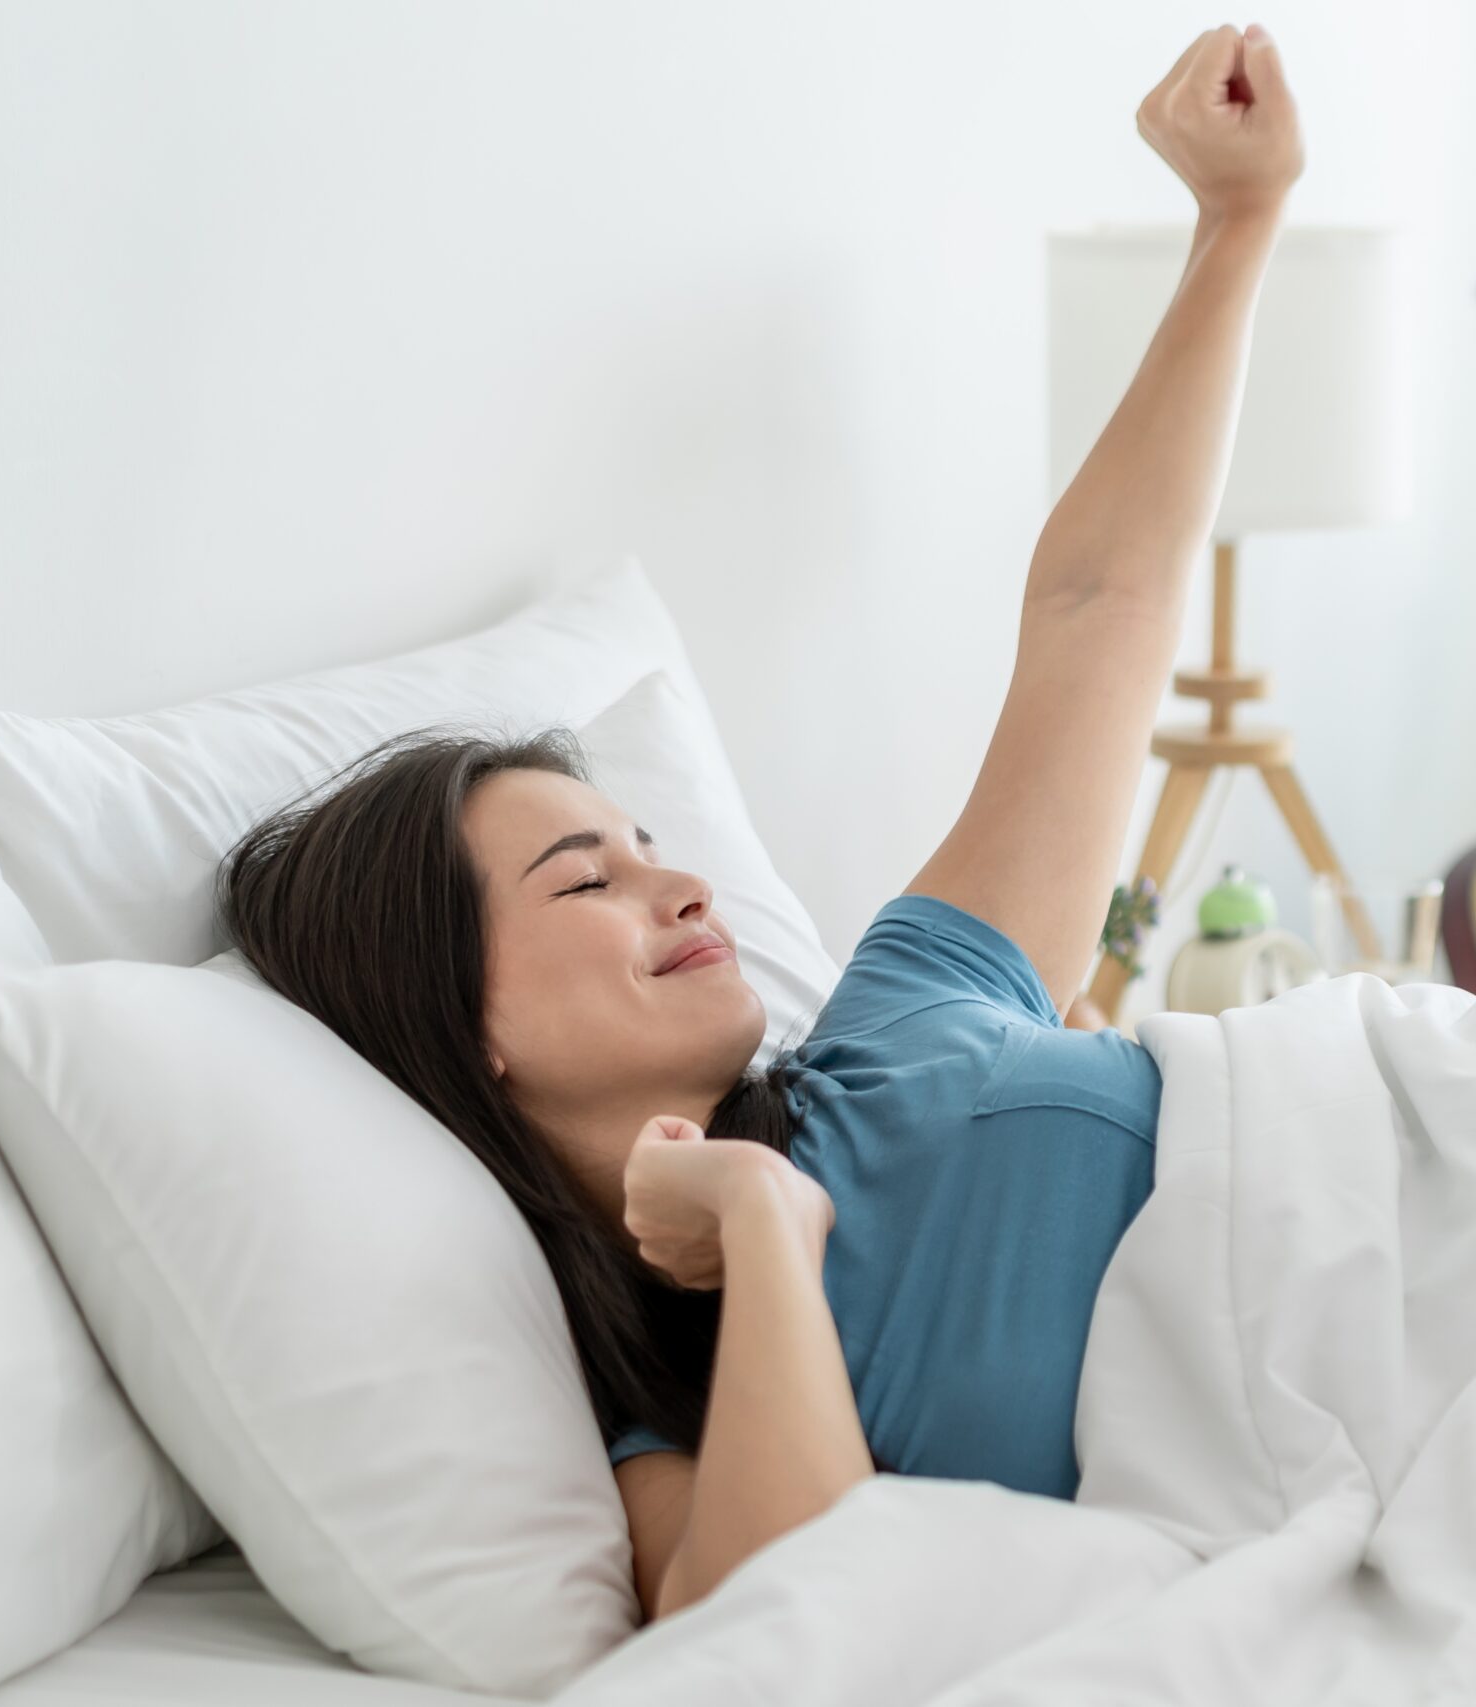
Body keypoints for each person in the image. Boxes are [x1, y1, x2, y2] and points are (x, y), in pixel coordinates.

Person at [217, 24, 1302, 1627]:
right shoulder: (665, 1434)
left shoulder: (900, 1012)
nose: (677, 880)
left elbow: (1097, 607)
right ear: (467, 1020)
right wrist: (758, 1222)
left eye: (647, 839)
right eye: (586, 871)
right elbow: (780, 1626)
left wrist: (1239, 221)